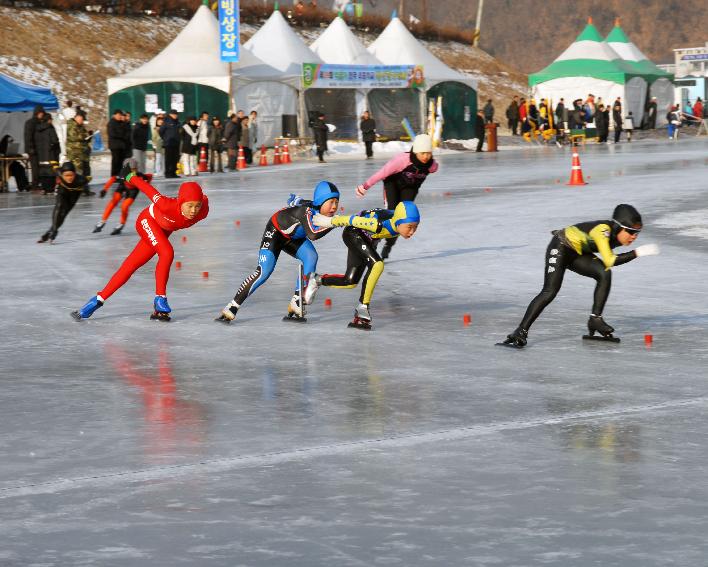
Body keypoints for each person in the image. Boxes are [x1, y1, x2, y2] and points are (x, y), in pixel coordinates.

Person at [499, 204, 660, 348]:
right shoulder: (603, 231)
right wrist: (638, 252)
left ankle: (595, 319)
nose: (634, 236)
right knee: (550, 291)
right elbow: (610, 260)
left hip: (578, 252)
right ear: (619, 227)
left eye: (637, 233)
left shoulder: (618, 235)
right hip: (561, 247)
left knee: (604, 273)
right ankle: (520, 331)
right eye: (631, 231)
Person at [71, 174, 209, 321]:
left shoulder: (203, 210)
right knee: (167, 252)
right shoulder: (166, 204)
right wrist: (130, 176)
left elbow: (202, 200)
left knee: (130, 266)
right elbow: (148, 189)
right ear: (180, 202)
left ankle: (96, 301)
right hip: (147, 221)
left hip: (163, 230)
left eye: (197, 205)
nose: (194, 210)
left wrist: (199, 203)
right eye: (189, 206)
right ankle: (160, 299)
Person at [216, 181, 341, 324]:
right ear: (321, 201)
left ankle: (297, 301)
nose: (334, 207)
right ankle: (232, 306)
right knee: (264, 271)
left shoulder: (317, 207)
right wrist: (336, 222)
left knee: (311, 257)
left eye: (337, 202)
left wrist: (297, 200)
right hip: (275, 232)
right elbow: (312, 234)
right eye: (331, 201)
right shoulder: (306, 211)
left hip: (293, 237)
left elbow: (306, 205)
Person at [304, 201, 421, 330]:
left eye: (415, 227)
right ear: (398, 221)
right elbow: (351, 220)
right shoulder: (378, 224)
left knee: (350, 281)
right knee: (377, 264)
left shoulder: (398, 219)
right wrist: (329, 221)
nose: (412, 232)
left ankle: (316, 280)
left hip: (367, 239)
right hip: (353, 233)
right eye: (410, 227)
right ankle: (363, 307)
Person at [354, 133, 438, 260]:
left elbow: (434, 166)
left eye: (429, 153)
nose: (426, 156)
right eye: (422, 153)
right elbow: (382, 173)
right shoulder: (402, 160)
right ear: (415, 152)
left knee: (404, 217)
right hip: (392, 184)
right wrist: (365, 186)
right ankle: (375, 240)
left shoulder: (432, 166)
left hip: (410, 188)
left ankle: (389, 244)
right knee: (391, 214)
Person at [93, 157, 152, 235]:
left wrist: (146, 185)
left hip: (133, 191)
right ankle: (102, 221)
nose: (133, 172)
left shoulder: (140, 176)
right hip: (123, 186)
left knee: (124, 206)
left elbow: (150, 176)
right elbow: (113, 179)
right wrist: (105, 189)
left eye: (135, 169)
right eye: (131, 170)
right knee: (113, 201)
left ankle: (121, 224)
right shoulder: (122, 175)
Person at [37, 162, 88, 243]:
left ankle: (49, 232)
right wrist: (53, 164)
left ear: (75, 174)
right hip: (63, 190)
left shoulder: (81, 180)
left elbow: (87, 180)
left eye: (71, 175)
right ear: (61, 175)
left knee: (63, 214)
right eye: (66, 175)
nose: (69, 178)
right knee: (59, 206)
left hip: (74, 193)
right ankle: (54, 230)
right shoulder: (58, 172)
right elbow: (55, 166)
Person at [65, 110, 93, 195]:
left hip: (83, 153)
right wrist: (86, 135)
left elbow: (85, 137)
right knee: (78, 172)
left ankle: (85, 189)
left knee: (86, 171)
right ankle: (77, 190)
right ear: (78, 117)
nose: (82, 121)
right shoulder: (71, 125)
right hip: (75, 153)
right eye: (82, 119)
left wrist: (89, 135)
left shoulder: (81, 126)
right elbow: (74, 137)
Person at [36, 113, 61, 194]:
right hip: (51, 154)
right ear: (49, 120)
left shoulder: (38, 129)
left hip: (41, 155)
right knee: (51, 171)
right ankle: (50, 189)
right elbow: (55, 140)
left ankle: (44, 188)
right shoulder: (50, 129)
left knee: (43, 171)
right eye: (51, 119)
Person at [24, 105, 45, 189]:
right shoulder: (31, 123)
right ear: (37, 113)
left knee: (38, 167)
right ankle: (35, 184)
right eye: (41, 113)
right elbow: (28, 136)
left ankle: (37, 183)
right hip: (33, 149)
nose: (42, 115)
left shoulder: (39, 122)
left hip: (38, 149)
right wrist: (30, 148)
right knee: (35, 167)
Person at [160, 109, 181, 178]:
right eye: (174, 114)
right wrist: (166, 138)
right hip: (168, 143)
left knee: (175, 159)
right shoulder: (166, 121)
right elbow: (161, 131)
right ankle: (168, 173)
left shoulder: (177, 122)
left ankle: (173, 172)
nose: (175, 115)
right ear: (170, 114)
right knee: (169, 159)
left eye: (176, 114)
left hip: (176, 143)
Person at [108, 110, 129, 176]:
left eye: (120, 115)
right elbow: (112, 134)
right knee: (115, 161)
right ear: (114, 115)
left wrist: (124, 122)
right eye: (118, 115)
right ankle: (114, 175)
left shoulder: (122, 123)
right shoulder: (111, 123)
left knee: (121, 161)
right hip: (115, 146)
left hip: (121, 146)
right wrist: (122, 135)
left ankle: (119, 175)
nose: (120, 116)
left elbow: (126, 132)